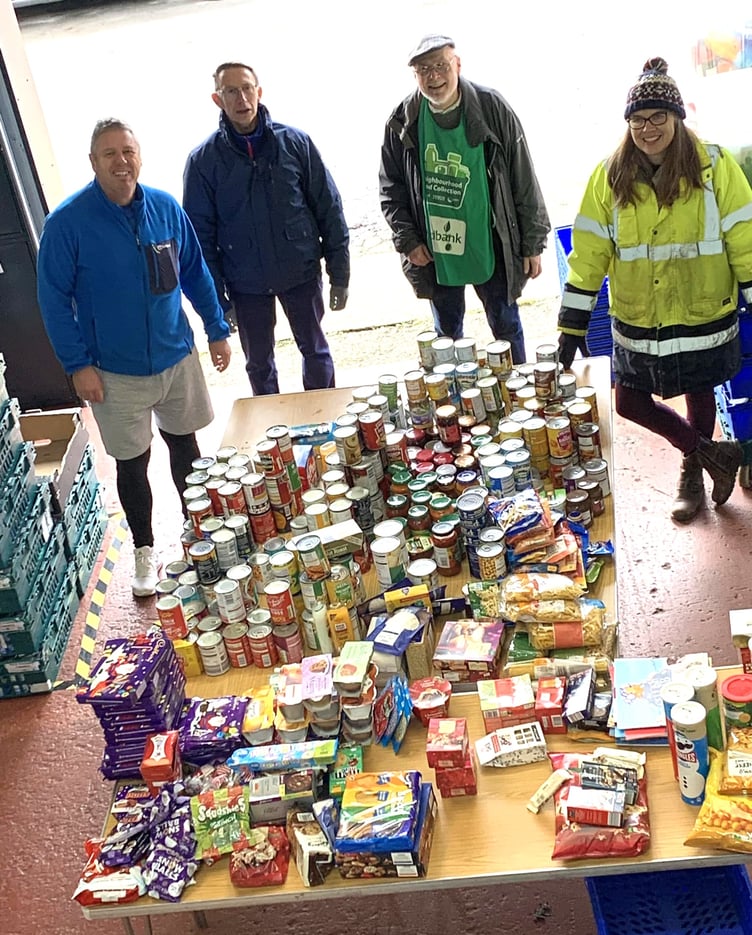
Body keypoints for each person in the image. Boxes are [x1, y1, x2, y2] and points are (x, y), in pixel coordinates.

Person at [37, 118, 232, 596]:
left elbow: (194, 272)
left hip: (175, 356)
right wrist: (77, 364)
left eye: (127, 151)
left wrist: (216, 329)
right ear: (93, 163)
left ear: (139, 156)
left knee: (186, 448)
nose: (121, 162)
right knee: (132, 462)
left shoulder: (164, 208)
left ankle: (199, 534)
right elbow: (53, 299)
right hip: (112, 371)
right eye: (109, 154)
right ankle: (145, 550)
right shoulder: (68, 224)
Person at [557, 58, 752, 523]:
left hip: (703, 310)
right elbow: (588, 253)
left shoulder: (715, 166)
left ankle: (693, 475)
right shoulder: (610, 176)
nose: (648, 129)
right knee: (628, 401)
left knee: (699, 392)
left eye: (658, 117)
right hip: (639, 316)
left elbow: (745, 238)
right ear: (628, 125)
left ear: (678, 117)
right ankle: (712, 455)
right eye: (639, 119)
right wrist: (571, 322)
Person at [379, 34, 550, 363]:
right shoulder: (403, 120)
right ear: (414, 76)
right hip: (435, 249)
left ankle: (518, 395)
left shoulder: (491, 107)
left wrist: (532, 242)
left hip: (493, 240)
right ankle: (453, 404)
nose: (434, 76)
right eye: (423, 70)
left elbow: (522, 176)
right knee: (446, 333)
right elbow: (390, 187)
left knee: (506, 326)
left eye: (441, 65)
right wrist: (408, 239)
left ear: (457, 64)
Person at [183, 61, 350, 396]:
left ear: (258, 92)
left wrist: (340, 274)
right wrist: (218, 302)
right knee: (259, 364)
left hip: (300, 271)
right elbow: (198, 240)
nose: (241, 98)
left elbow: (329, 208)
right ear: (218, 99)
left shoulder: (296, 144)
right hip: (246, 284)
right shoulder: (203, 161)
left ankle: (324, 419)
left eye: (247, 89)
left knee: (316, 352)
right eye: (231, 91)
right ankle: (273, 437)